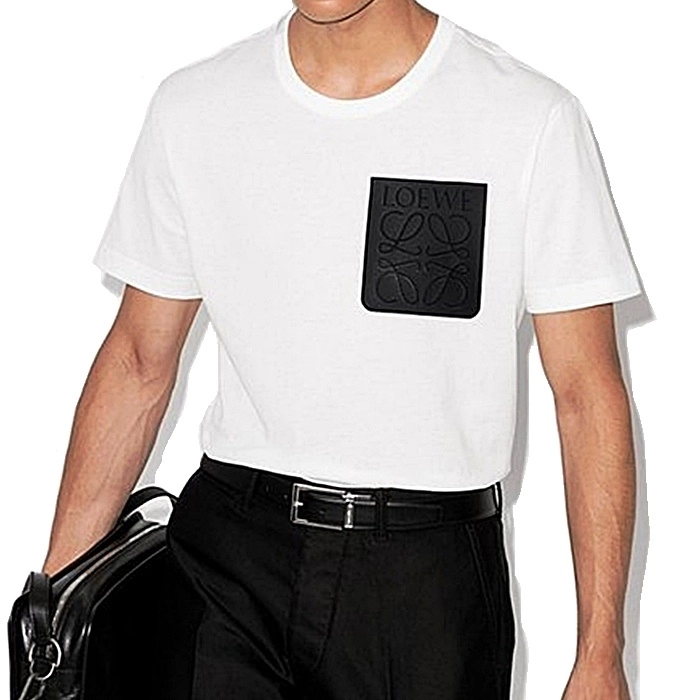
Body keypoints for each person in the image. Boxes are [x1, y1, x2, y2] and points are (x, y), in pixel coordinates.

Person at [41, 0, 641, 698]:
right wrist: (55, 604)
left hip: (425, 585)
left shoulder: (527, 117)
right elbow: (138, 360)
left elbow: (586, 394)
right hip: (226, 564)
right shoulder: (196, 108)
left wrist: (601, 653)